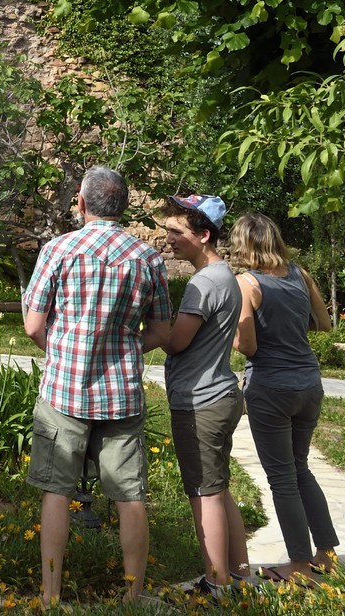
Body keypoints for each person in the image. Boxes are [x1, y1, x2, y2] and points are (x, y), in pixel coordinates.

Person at [22, 166, 173, 606]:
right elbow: (162, 332)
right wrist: (124, 349)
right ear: (123, 205)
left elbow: (33, 325)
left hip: (63, 392)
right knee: (130, 495)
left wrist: (63, 351)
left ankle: (51, 598)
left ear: (82, 202)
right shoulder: (148, 258)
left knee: (56, 491)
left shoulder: (59, 249)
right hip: (121, 395)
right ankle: (133, 597)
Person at [232, 212, 339, 585]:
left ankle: (298, 566)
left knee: (282, 478)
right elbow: (324, 323)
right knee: (300, 468)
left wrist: (231, 335)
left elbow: (248, 345)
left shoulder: (246, 283)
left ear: (243, 244)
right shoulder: (300, 274)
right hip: (309, 382)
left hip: (271, 387)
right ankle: (326, 555)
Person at [160, 194, 248, 597]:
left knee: (204, 494)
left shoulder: (203, 283)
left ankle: (216, 584)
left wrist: (149, 321)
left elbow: (177, 341)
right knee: (219, 490)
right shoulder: (224, 275)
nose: (168, 239)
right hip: (221, 395)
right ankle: (239, 575)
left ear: (204, 235)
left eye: (177, 231)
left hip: (201, 403)